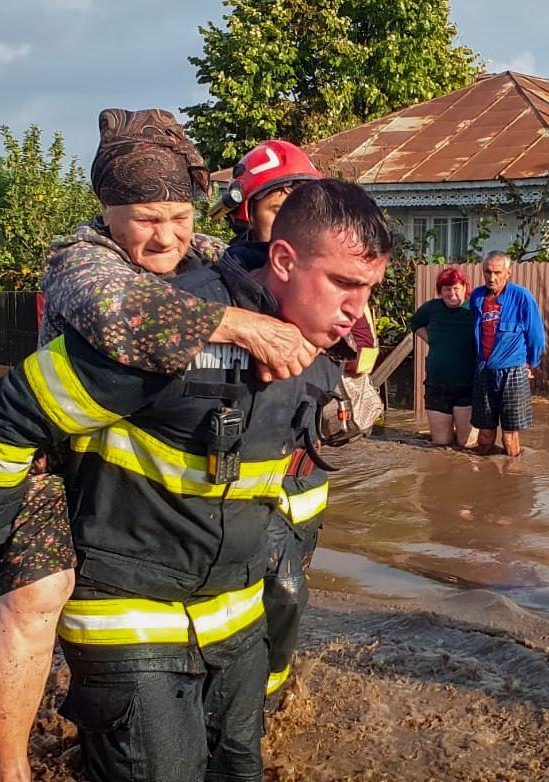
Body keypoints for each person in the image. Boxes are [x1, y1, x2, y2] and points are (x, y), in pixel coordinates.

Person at [0, 178, 391, 782]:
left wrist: (344, 410)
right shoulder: (168, 331)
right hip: (130, 617)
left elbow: (297, 463)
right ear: (284, 260)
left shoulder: (317, 341)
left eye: (368, 290)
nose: (357, 311)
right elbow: (5, 415)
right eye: (345, 284)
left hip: (234, 617)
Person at [216, 139, 378, 709]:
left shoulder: (335, 277)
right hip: (239, 467)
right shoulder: (220, 280)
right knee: (254, 588)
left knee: (289, 590)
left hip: (303, 469)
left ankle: (268, 689)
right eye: (273, 199)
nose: (286, 208)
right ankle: (239, 698)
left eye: (297, 196)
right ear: (246, 210)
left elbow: (361, 348)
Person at [469, 251, 545, 458]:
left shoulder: (522, 297)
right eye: (487, 272)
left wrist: (530, 364)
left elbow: (536, 336)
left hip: (513, 371)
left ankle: (512, 480)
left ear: (508, 273)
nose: (491, 278)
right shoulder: (476, 297)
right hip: (485, 370)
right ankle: (484, 479)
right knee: (484, 434)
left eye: (497, 272)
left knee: (510, 437)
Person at [410, 266, 477, 447]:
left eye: (456, 288)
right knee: (441, 444)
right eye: (447, 289)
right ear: (441, 291)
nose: (452, 293)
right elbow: (415, 323)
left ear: (464, 288)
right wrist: (432, 340)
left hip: (468, 385)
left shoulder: (475, 308)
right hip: (437, 385)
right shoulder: (431, 308)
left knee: (467, 444)